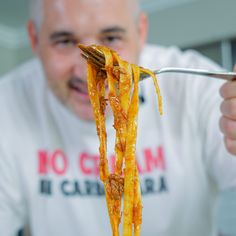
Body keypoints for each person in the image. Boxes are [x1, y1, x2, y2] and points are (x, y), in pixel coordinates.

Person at [0, 0, 236, 235]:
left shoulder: (194, 88)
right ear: (34, 39)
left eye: (111, 38)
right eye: (65, 41)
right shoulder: (8, 104)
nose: (88, 73)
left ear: (140, 31)